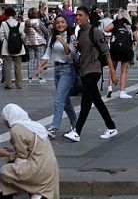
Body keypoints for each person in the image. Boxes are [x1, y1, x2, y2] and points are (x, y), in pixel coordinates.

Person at [0, 104, 59, 199]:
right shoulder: (34, 125)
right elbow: (31, 150)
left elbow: (22, 156)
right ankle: (36, 194)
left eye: (4, 120)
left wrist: (5, 154)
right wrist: (11, 151)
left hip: (38, 169)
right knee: (13, 168)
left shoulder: (16, 129)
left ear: (9, 118)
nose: (4, 123)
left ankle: (5, 191)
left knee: (4, 171)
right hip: (51, 168)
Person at [74, 12, 118, 141]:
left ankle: (77, 131)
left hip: (94, 70)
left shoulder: (96, 32)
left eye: (81, 15)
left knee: (86, 101)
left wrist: (113, 72)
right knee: (95, 100)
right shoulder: (80, 33)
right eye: (77, 15)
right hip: (84, 70)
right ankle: (111, 127)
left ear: (87, 17)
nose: (78, 17)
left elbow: (106, 52)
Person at [44, 14, 82, 141]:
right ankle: (76, 125)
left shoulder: (71, 37)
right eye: (57, 22)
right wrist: (40, 65)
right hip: (57, 69)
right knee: (66, 102)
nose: (60, 24)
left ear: (67, 24)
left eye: (62, 22)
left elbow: (70, 55)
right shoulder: (53, 37)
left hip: (67, 69)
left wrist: (63, 42)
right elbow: (47, 53)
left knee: (59, 99)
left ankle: (54, 127)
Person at [0, 8, 28, 91]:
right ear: (14, 14)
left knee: (7, 66)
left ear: (6, 14)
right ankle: (19, 84)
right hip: (18, 48)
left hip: (7, 47)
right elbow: (23, 36)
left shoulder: (4, 24)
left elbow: (0, 36)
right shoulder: (20, 24)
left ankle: (8, 84)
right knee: (18, 66)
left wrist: (6, 40)